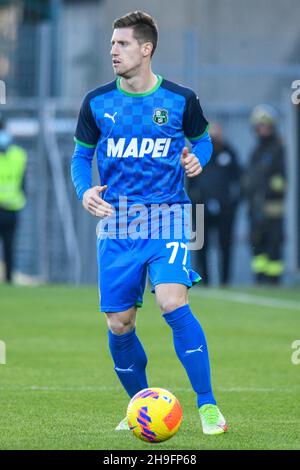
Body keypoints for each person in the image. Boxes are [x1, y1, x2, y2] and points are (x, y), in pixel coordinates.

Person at [71, 11, 227, 435]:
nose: (113, 51)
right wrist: (85, 189)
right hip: (118, 225)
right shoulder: (97, 102)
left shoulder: (180, 99)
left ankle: (209, 406)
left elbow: (203, 140)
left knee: (172, 303)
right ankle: (139, 406)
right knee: (119, 324)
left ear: (146, 48)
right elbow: (82, 155)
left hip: (171, 216)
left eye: (121, 44)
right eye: (111, 44)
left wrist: (200, 158)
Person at [187, 123, 242, 285]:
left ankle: (225, 280)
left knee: (225, 243)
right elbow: (191, 180)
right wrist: (195, 199)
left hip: (225, 207)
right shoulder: (198, 155)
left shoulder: (228, 153)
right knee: (202, 245)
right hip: (201, 206)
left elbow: (238, 178)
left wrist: (233, 201)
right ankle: (205, 279)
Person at [244, 104, 286, 284]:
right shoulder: (256, 151)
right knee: (257, 245)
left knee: (273, 243)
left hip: (273, 207)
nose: (263, 129)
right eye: (260, 126)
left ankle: (273, 280)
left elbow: (281, 179)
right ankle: (260, 279)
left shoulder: (279, 149)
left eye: (266, 126)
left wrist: (272, 187)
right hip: (255, 206)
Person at [0, 115, 27, 283]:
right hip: (11, 208)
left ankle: (9, 278)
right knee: (9, 246)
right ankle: (8, 278)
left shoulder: (18, 155)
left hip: (11, 208)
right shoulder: (19, 154)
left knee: (10, 246)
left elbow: (23, 182)